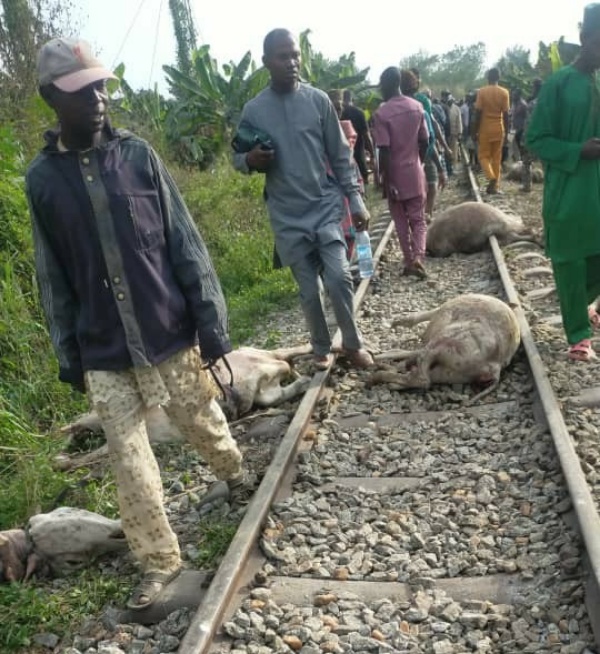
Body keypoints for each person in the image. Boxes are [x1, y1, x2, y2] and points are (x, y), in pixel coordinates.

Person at [26, 37, 254, 610]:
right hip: (101, 347)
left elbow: (185, 244)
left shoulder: (138, 157)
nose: (99, 99)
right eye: (83, 92)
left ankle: (235, 473)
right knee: (130, 460)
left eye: (102, 86)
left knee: (200, 420)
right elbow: (52, 274)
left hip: (166, 330)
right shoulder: (43, 180)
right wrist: (67, 353)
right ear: (52, 97)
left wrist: (211, 320)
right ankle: (159, 562)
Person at [232, 28, 373, 371]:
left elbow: (341, 156)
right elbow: (236, 157)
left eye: (295, 55)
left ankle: (352, 346)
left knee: (339, 278)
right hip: (287, 213)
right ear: (267, 62)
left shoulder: (318, 100)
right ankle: (321, 346)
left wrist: (355, 200)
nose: (292, 62)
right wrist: (251, 160)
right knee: (309, 291)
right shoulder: (254, 110)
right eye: (283, 56)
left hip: (324, 206)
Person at [525, 3, 600, 362]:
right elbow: (535, 139)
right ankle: (579, 336)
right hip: (569, 194)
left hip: (597, 191)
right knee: (570, 262)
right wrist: (577, 150)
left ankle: (580, 307)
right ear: (585, 39)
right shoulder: (558, 84)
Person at [373, 66, 430, 278]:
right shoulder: (417, 107)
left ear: (387, 85)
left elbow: (384, 150)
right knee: (418, 219)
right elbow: (424, 141)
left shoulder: (382, 113)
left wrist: (387, 179)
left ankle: (408, 261)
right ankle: (418, 257)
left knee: (400, 220)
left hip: (395, 174)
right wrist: (418, 163)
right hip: (415, 172)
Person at [400, 69, 446, 223]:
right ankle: (424, 216)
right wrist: (439, 165)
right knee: (428, 187)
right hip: (420, 157)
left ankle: (421, 216)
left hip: (405, 161)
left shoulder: (387, 110)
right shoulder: (420, 106)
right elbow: (429, 138)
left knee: (420, 191)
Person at [470, 68, 510, 194]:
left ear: (488, 78)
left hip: (485, 129)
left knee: (483, 156)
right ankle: (495, 187)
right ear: (499, 78)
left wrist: (474, 131)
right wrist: (507, 131)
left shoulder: (482, 92)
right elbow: (506, 114)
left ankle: (491, 178)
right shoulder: (504, 92)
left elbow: (478, 112)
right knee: (496, 159)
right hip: (499, 129)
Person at [341, 89, 376, 185]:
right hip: (358, 155)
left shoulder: (337, 113)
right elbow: (366, 135)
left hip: (342, 157)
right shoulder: (358, 113)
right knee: (362, 186)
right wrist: (372, 154)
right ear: (351, 98)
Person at [520, 78, 542, 192]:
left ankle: (527, 186)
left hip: (532, 137)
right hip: (545, 138)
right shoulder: (547, 102)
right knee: (546, 164)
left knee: (527, 162)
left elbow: (528, 122)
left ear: (535, 88)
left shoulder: (532, 103)